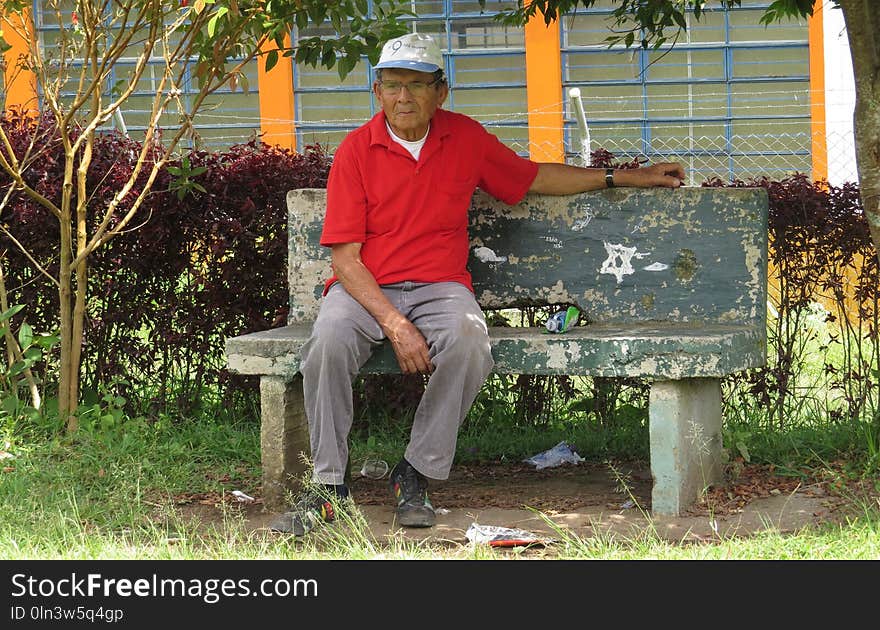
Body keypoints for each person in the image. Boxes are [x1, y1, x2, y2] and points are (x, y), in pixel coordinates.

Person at [269, 32, 685, 535]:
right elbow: (346, 259)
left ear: (440, 91)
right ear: (377, 92)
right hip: (366, 288)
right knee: (328, 342)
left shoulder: (464, 138)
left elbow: (530, 178)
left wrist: (620, 177)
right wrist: (395, 323)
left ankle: (415, 472)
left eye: (418, 85)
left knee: (470, 341)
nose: (405, 97)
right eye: (393, 85)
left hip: (439, 286)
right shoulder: (357, 151)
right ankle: (329, 485)